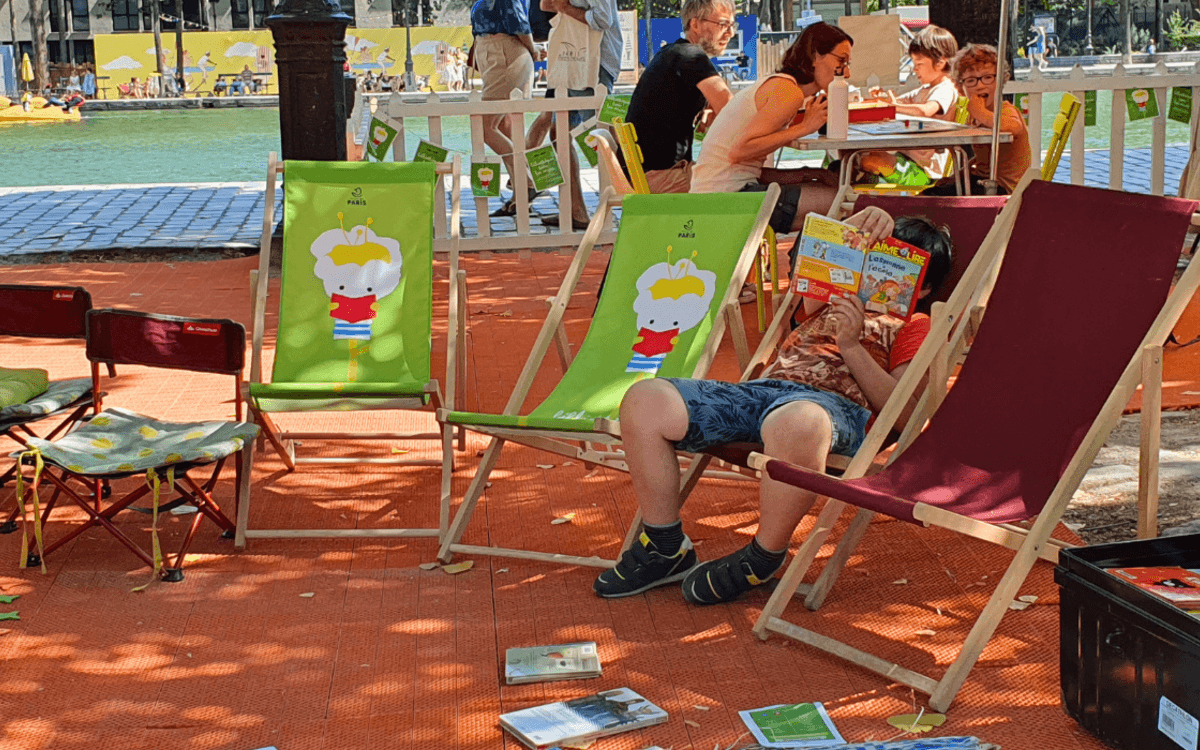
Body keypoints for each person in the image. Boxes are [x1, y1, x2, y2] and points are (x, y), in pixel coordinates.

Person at [592, 207, 954, 603]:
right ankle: (664, 546)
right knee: (645, 399)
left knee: (799, 421)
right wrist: (855, 226)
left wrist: (851, 346)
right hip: (763, 393)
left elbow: (905, 414)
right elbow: (821, 255)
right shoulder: (826, 301)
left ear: (922, 288)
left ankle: (762, 557)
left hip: (833, 409)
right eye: (870, 259)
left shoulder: (915, 324)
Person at [690, 22, 850, 237]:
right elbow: (740, 151)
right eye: (841, 61)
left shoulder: (780, 85)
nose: (847, 72)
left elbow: (749, 169)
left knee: (834, 194)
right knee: (844, 202)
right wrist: (804, 127)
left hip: (711, 196)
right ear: (815, 56)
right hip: (726, 201)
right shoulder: (788, 92)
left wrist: (813, 173)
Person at [622, 0, 736, 194]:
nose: (730, 33)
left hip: (645, 174)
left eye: (732, 25)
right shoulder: (691, 56)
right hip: (663, 178)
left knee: (757, 179)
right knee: (751, 189)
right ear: (695, 24)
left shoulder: (672, 53)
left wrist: (706, 107)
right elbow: (733, 111)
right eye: (723, 24)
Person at [532, 0, 622, 230]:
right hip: (571, 60)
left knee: (602, 135)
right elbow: (546, 6)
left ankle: (640, 197)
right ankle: (576, 211)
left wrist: (565, 8)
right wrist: (562, 6)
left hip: (593, 62)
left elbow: (602, 18)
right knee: (559, 133)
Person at [857, 25, 959, 189]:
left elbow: (925, 110)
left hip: (926, 171)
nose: (914, 69)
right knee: (865, 157)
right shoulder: (924, 89)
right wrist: (884, 99)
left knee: (871, 160)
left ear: (940, 62)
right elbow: (901, 103)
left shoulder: (945, 89)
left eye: (919, 64)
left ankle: (863, 185)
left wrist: (893, 107)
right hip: (908, 159)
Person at [926, 43, 1031, 196]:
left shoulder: (1004, 110)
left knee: (931, 197)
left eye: (988, 78)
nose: (980, 86)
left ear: (1000, 80)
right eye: (971, 81)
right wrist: (958, 175)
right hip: (982, 180)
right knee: (931, 192)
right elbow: (982, 159)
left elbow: (1014, 127)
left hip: (1004, 188)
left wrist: (980, 112)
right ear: (961, 87)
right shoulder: (974, 117)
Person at [472, 0, 538, 214]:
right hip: (496, 54)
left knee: (485, 128)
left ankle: (527, 182)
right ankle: (521, 195)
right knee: (504, 127)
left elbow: (518, 21)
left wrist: (533, 50)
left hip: (504, 54)